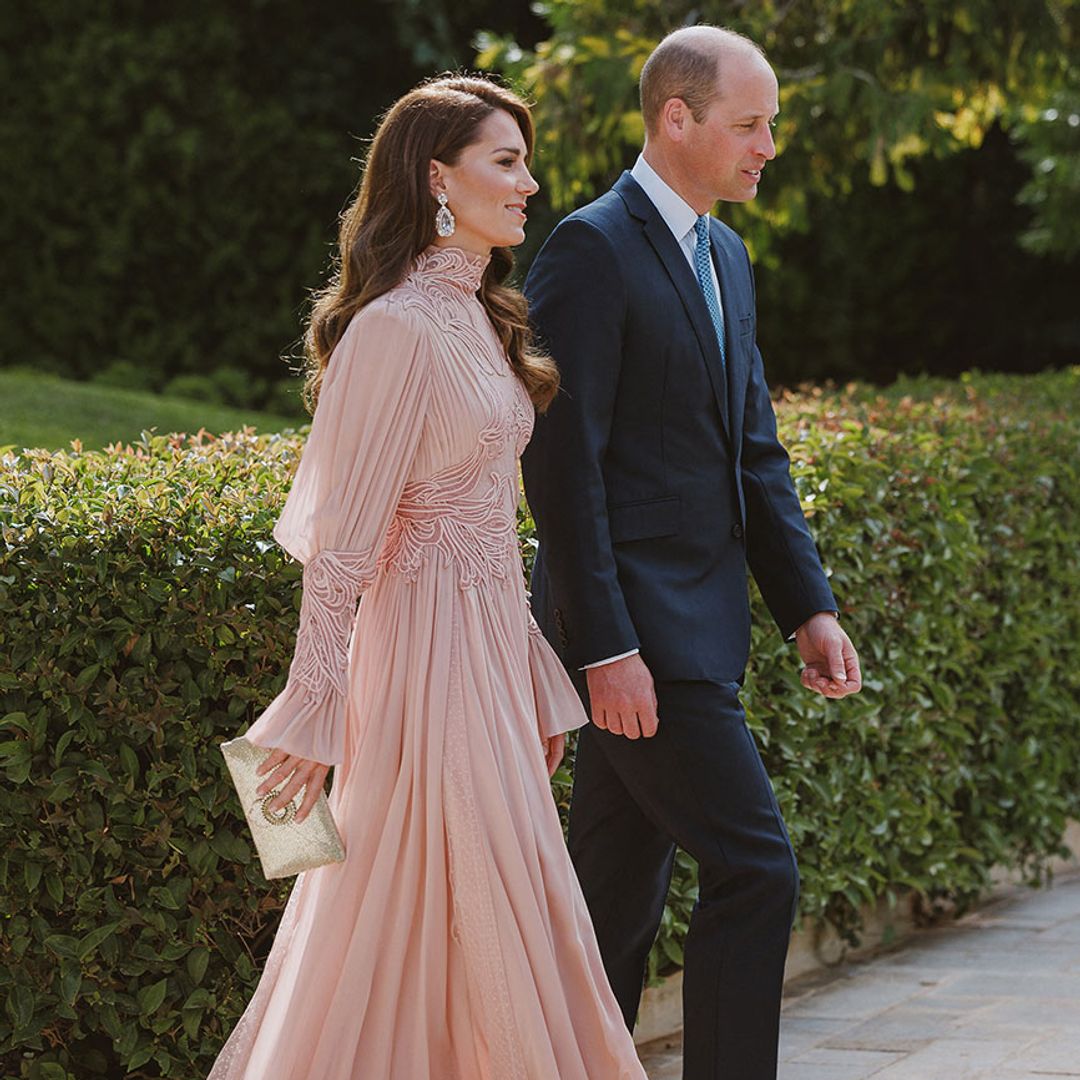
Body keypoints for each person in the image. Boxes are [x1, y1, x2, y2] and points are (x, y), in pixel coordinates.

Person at [208, 74, 647, 1080]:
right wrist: (313, 703)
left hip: (488, 661)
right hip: (422, 671)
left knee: (498, 904)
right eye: (506, 162)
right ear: (437, 178)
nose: (530, 183)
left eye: (525, 161)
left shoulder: (480, 319)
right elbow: (344, 548)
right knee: (432, 904)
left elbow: (492, 525)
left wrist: (532, 670)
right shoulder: (395, 330)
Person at [521, 25, 863, 1080]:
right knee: (758, 868)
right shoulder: (589, 249)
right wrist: (608, 647)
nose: (768, 145)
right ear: (678, 118)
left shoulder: (725, 253)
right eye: (750, 125)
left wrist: (808, 606)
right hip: (636, 643)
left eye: (770, 126)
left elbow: (751, 451)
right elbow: (561, 468)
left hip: (702, 633)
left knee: (611, 908)